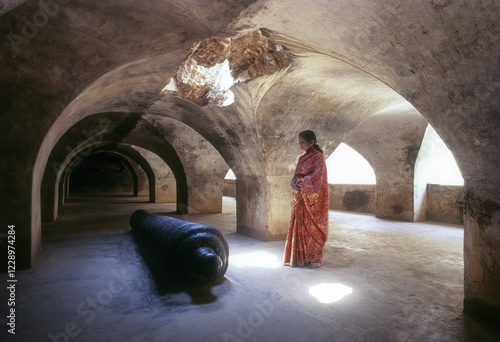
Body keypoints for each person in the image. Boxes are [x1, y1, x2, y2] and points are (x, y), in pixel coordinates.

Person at [283, 130, 329, 268]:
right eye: (299, 142)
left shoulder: (319, 157)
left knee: (312, 228)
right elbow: (296, 174)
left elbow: (317, 178)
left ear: (311, 142)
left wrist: (302, 182)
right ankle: (298, 257)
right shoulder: (301, 158)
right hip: (299, 197)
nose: (300, 144)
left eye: (302, 142)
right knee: (299, 224)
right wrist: (293, 181)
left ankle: (314, 259)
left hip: (312, 198)